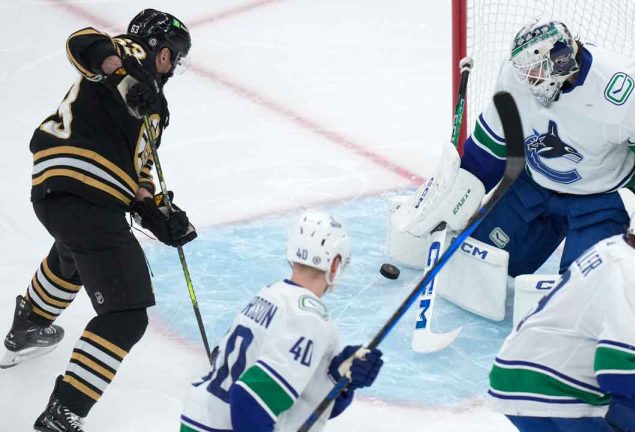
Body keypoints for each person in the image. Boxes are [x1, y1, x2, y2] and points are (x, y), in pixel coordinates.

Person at [0, 9, 196, 432]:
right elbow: (84, 42)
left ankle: (31, 322)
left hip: (60, 193)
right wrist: (123, 77)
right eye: (174, 56)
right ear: (161, 49)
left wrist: (161, 214)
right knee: (127, 313)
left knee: (74, 253)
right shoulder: (131, 53)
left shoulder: (155, 110)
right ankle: (63, 413)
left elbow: (137, 174)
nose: (173, 66)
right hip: (85, 191)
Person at [394, 19, 635, 278]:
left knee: (583, 290)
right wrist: (455, 197)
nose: (527, 79)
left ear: (561, 59)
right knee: (476, 266)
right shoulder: (515, 77)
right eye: (525, 71)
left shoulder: (620, 86)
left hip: (602, 201)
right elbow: (489, 151)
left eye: (535, 70)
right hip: (533, 188)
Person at [487, 185, 635, 432]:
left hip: (516, 375)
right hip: (553, 391)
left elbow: (609, 346)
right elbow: (617, 371)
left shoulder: (611, 248)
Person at [180, 211, 384, 432]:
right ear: (334, 264)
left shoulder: (270, 295)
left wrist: (335, 377)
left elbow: (295, 402)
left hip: (202, 420)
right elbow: (249, 401)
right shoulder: (310, 319)